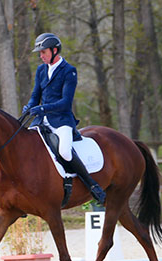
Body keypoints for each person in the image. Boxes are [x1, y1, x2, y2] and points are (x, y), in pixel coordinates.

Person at [23, 33, 105, 204]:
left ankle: (91, 184)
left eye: (43, 52)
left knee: (65, 151)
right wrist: (30, 106)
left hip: (61, 120)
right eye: (40, 53)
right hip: (41, 121)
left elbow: (65, 102)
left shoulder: (69, 71)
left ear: (54, 50)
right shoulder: (41, 70)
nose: (41, 56)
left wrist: (43, 108)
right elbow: (35, 95)